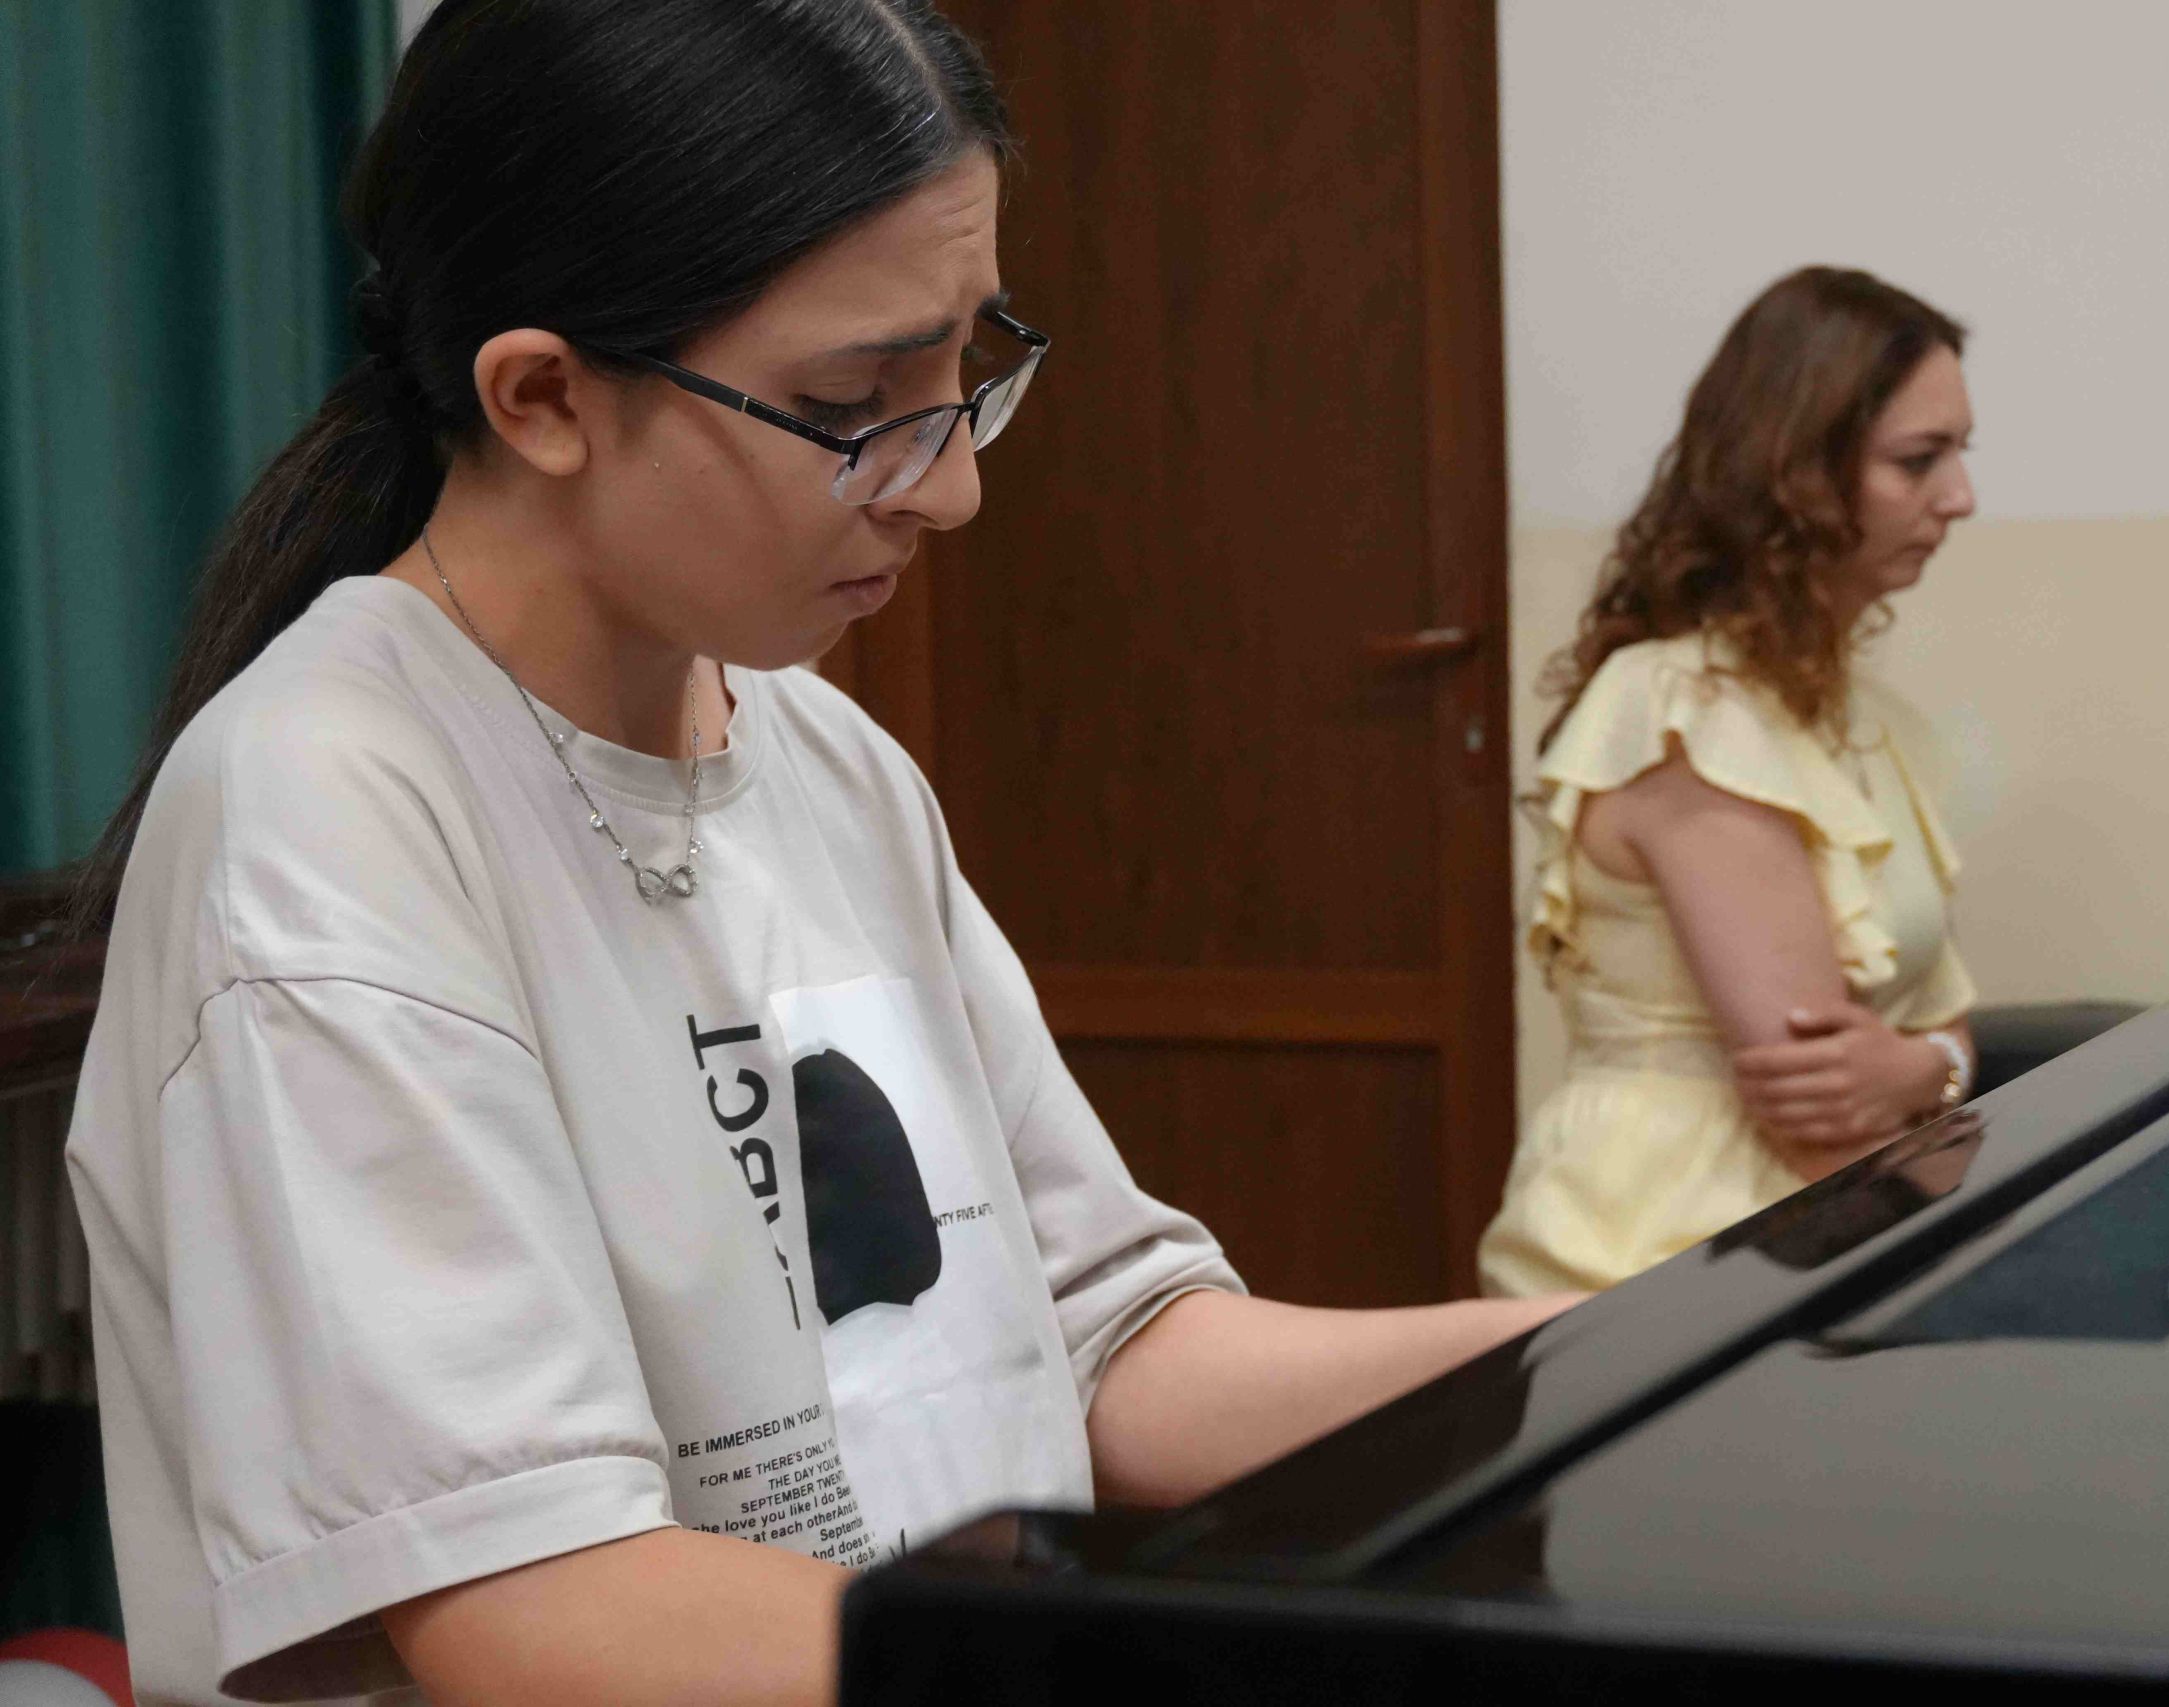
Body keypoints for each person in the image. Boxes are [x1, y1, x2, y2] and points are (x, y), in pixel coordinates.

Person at [62, 4, 1573, 1701]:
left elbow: (1107, 1343)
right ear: (545, 395)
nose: (949, 489)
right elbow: (534, 1609)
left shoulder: (822, 758)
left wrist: (1612, 1347)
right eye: (856, 401)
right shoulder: (330, 814)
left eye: (966, 373)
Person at [1479, 266, 1982, 1299]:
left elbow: (1946, 1030)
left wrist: (1925, 1070)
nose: (1960, 498)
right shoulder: (1685, 712)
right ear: (1796, 472)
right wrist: (1951, 1125)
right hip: (1659, 1257)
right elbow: (1816, 1126)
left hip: (1816, 1237)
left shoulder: (1871, 722)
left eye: (1958, 454)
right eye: (1917, 460)